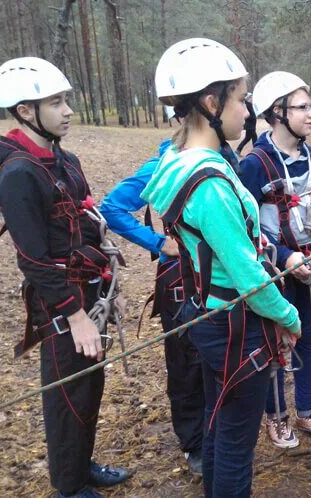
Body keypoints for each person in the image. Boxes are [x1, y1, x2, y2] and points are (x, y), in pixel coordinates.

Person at [141, 38, 301, 498]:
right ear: (212, 103)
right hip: (236, 323)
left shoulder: (180, 161)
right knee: (234, 443)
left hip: (209, 314)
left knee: (217, 425)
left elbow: (230, 243)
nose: (248, 111)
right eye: (242, 98)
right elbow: (249, 276)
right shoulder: (208, 182)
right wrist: (289, 318)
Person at [0, 57, 130, 498]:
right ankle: (67, 486)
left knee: (91, 385)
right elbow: (33, 258)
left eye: (66, 100)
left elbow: (90, 225)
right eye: (56, 102)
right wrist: (75, 317)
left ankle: (81, 465)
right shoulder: (17, 175)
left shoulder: (64, 160)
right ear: (26, 111)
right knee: (67, 393)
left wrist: (110, 287)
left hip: (91, 292)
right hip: (60, 306)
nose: (68, 110)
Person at [239, 71, 311, 449]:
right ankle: (276, 415)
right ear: (276, 113)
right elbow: (248, 225)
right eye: (303, 107)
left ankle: (306, 409)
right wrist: (283, 257)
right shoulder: (254, 165)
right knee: (274, 343)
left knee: (308, 338)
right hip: (275, 274)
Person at [99, 136, 205, 474]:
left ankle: (218, 431)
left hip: (221, 275)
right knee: (186, 361)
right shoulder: (166, 164)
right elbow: (112, 208)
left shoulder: (222, 158)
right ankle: (195, 443)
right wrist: (159, 242)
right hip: (180, 281)